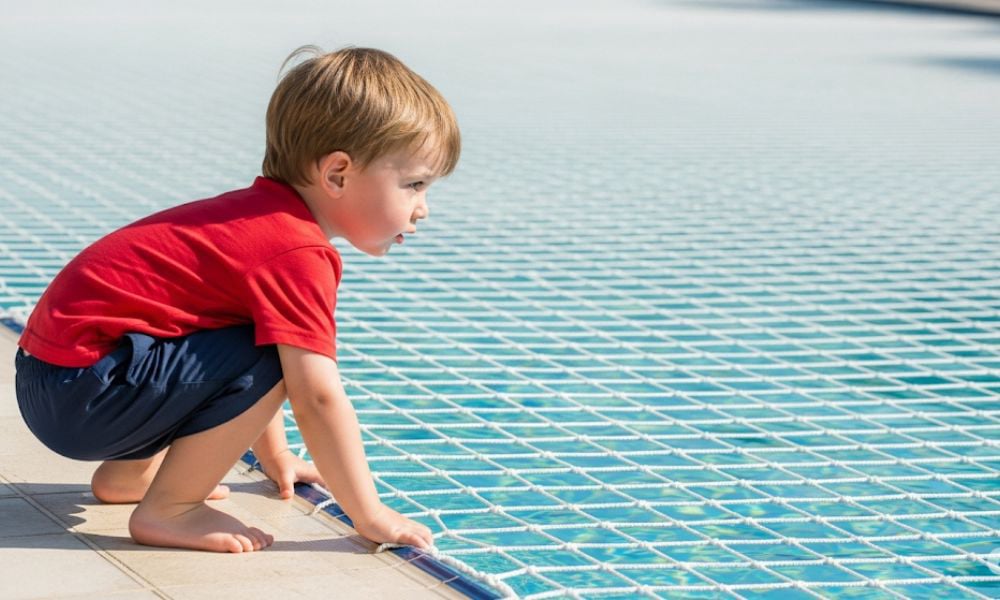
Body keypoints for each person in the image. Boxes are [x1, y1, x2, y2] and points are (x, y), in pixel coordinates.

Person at [13, 45, 460, 553]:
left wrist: (276, 458)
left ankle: (128, 477)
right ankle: (170, 508)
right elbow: (315, 397)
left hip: (55, 381)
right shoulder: (295, 252)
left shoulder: (257, 220)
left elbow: (232, 346)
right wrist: (370, 513)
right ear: (337, 174)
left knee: (251, 339)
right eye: (415, 185)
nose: (423, 209)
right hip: (82, 396)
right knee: (275, 352)